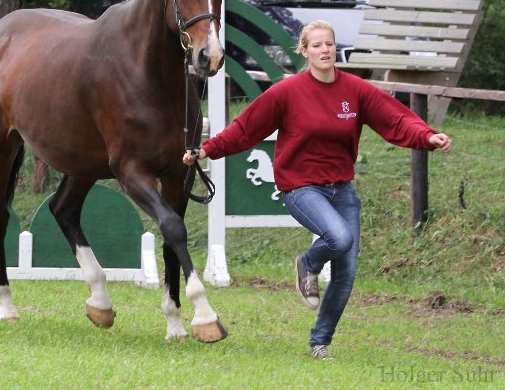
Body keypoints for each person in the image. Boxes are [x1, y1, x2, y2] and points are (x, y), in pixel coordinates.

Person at [183, 20, 451, 360]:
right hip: (301, 187)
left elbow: (395, 119)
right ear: (305, 51)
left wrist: (427, 136)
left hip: (342, 189)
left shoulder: (355, 90)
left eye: (330, 44)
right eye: (317, 45)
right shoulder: (287, 92)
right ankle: (306, 264)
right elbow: (244, 129)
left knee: (347, 272)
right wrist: (206, 150)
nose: (325, 50)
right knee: (339, 239)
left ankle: (319, 343)